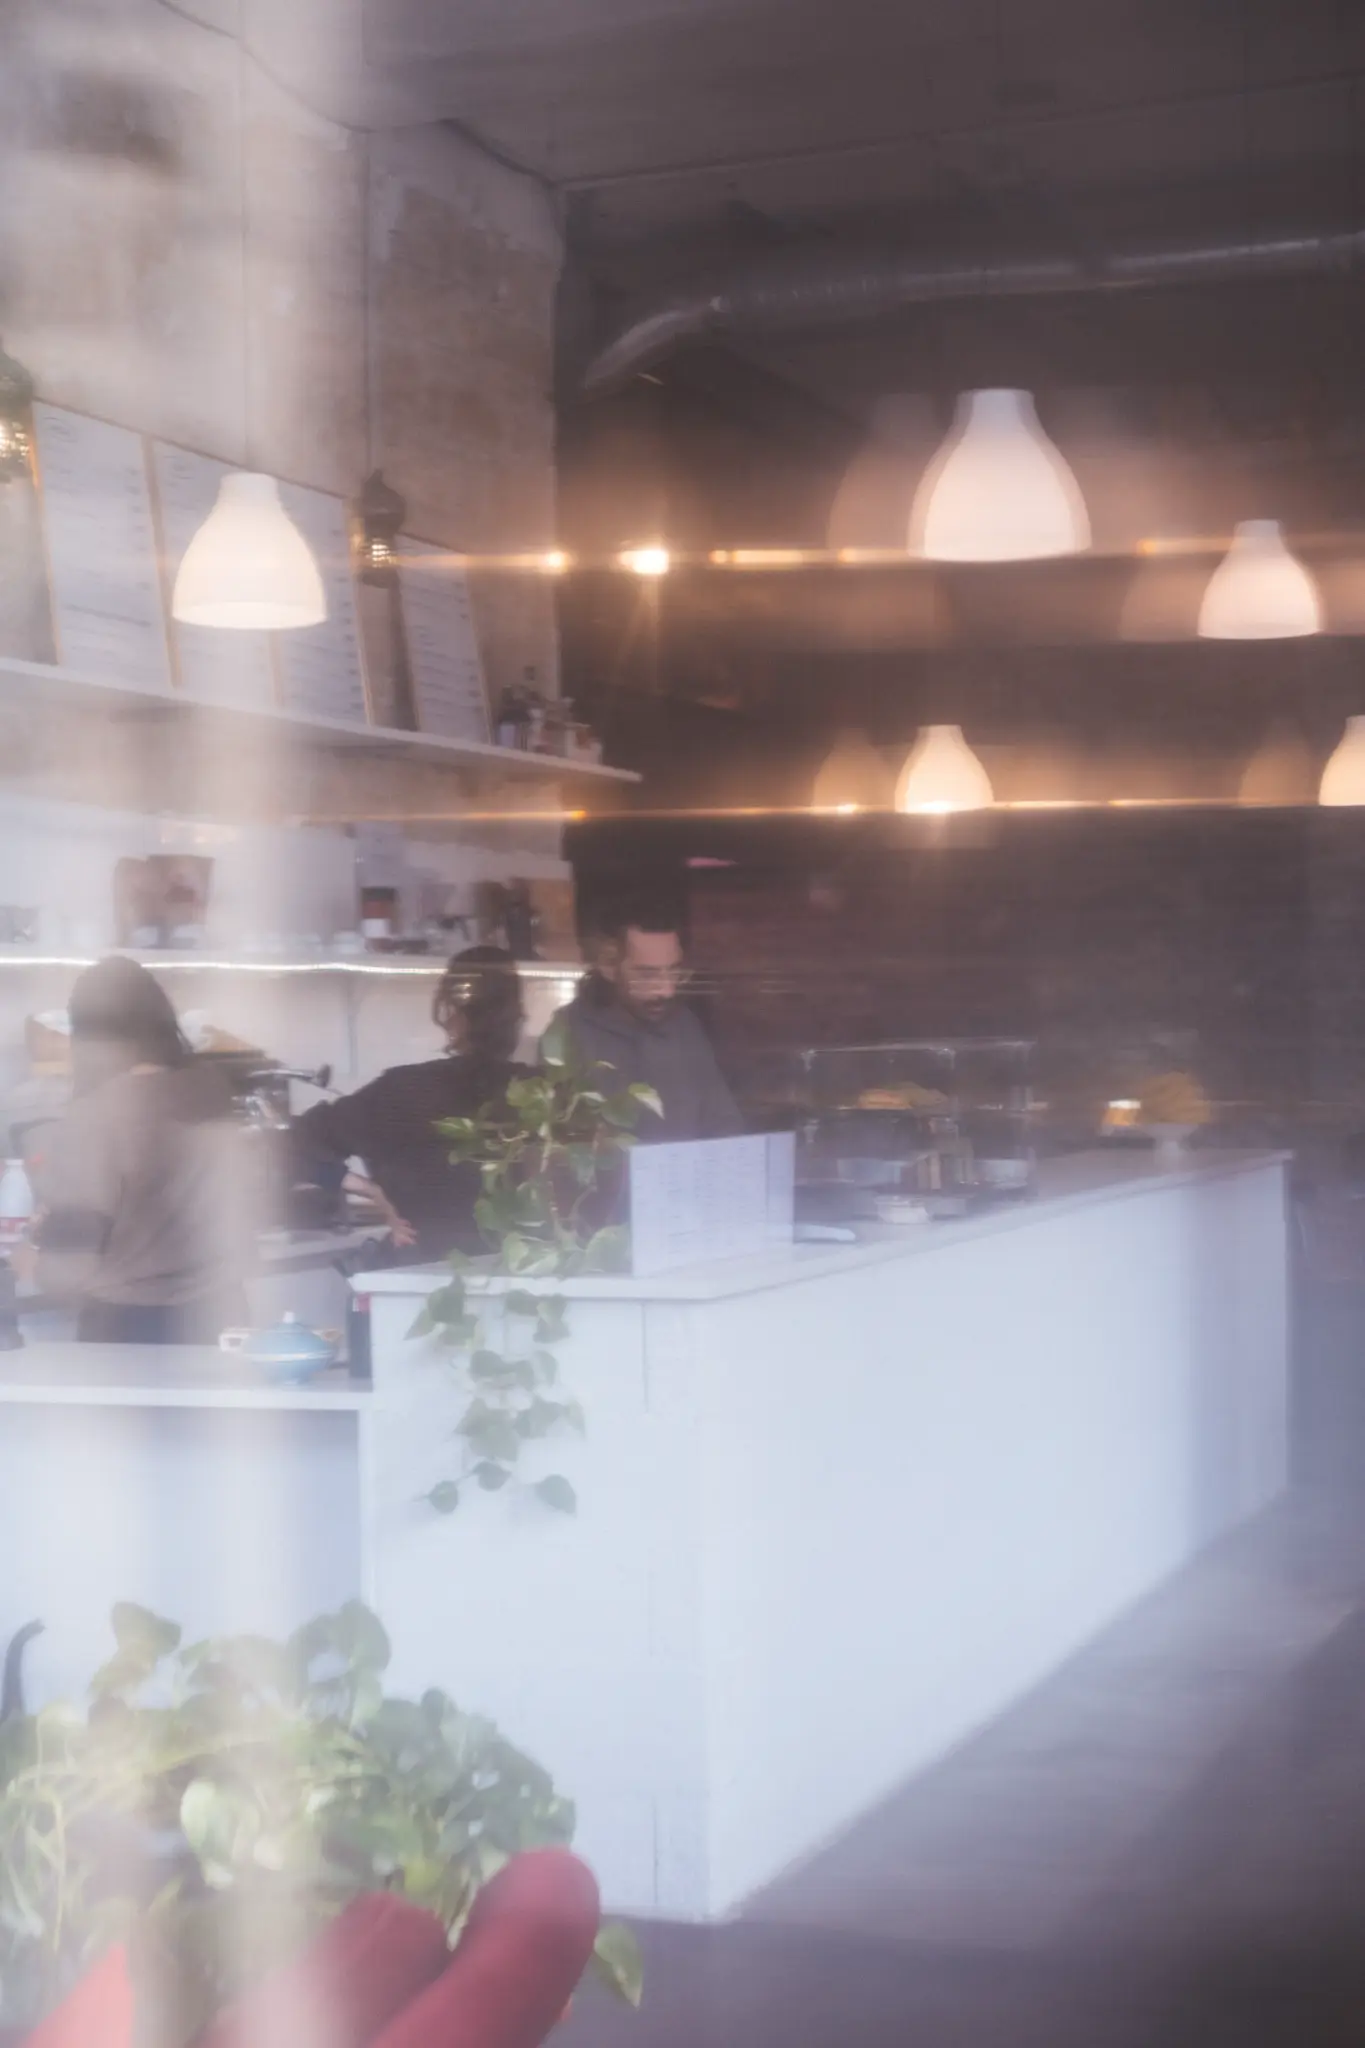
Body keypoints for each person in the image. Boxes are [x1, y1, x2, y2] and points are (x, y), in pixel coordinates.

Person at [27, 956, 249, 1344]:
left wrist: (31, 1260)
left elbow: (68, 1268)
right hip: (223, 1313)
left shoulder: (96, 1115)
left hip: (130, 1326)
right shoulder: (212, 1091)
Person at [292, 945, 526, 1261]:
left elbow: (296, 1143)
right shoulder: (546, 1096)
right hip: (526, 1275)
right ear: (517, 1017)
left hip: (417, 1275)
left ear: (451, 1011)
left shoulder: (403, 1091)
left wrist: (371, 1190)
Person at [545, 902, 741, 1142]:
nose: (667, 991)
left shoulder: (684, 1025)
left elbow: (724, 1123)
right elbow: (552, 1143)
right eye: (647, 975)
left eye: (674, 971)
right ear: (608, 966)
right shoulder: (567, 1033)